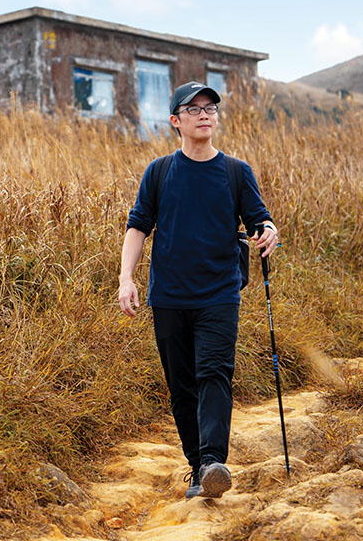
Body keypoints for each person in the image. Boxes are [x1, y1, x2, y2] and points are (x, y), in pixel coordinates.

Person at [117, 81, 278, 499]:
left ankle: (211, 461)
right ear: (176, 121)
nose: (205, 114)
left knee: (213, 375)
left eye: (211, 108)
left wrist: (269, 233)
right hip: (168, 296)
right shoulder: (160, 171)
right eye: (194, 109)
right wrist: (126, 278)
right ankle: (197, 468)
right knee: (182, 387)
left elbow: (261, 220)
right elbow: (138, 227)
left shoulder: (236, 172)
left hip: (219, 295)